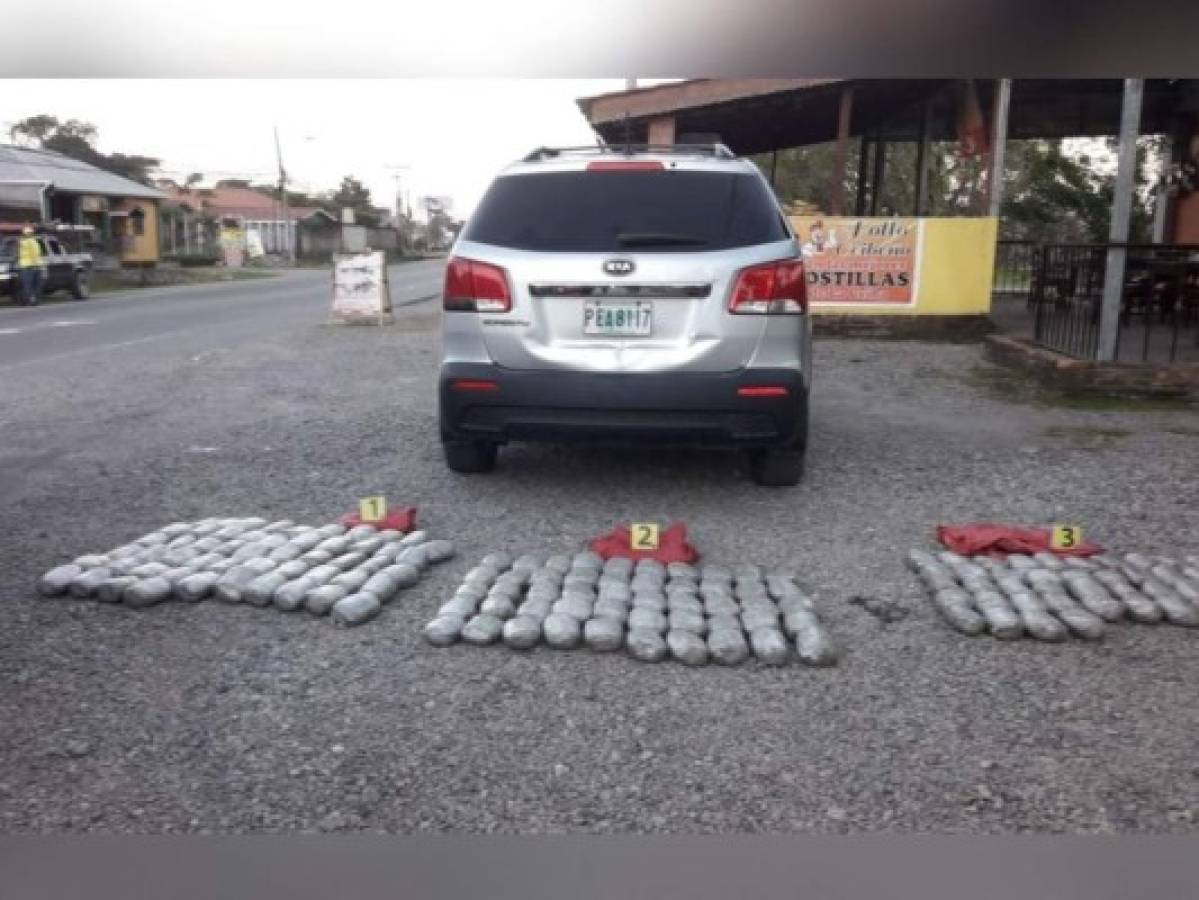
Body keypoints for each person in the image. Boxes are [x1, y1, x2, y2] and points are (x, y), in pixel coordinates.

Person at [16, 225, 44, 306]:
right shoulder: (33, 242)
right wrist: (37, 265)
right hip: (33, 266)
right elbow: (35, 254)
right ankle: (33, 301)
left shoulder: (21, 242)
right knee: (35, 285)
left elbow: (19, 254)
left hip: (25, 266)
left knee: (27, 285)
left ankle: (27, 301)